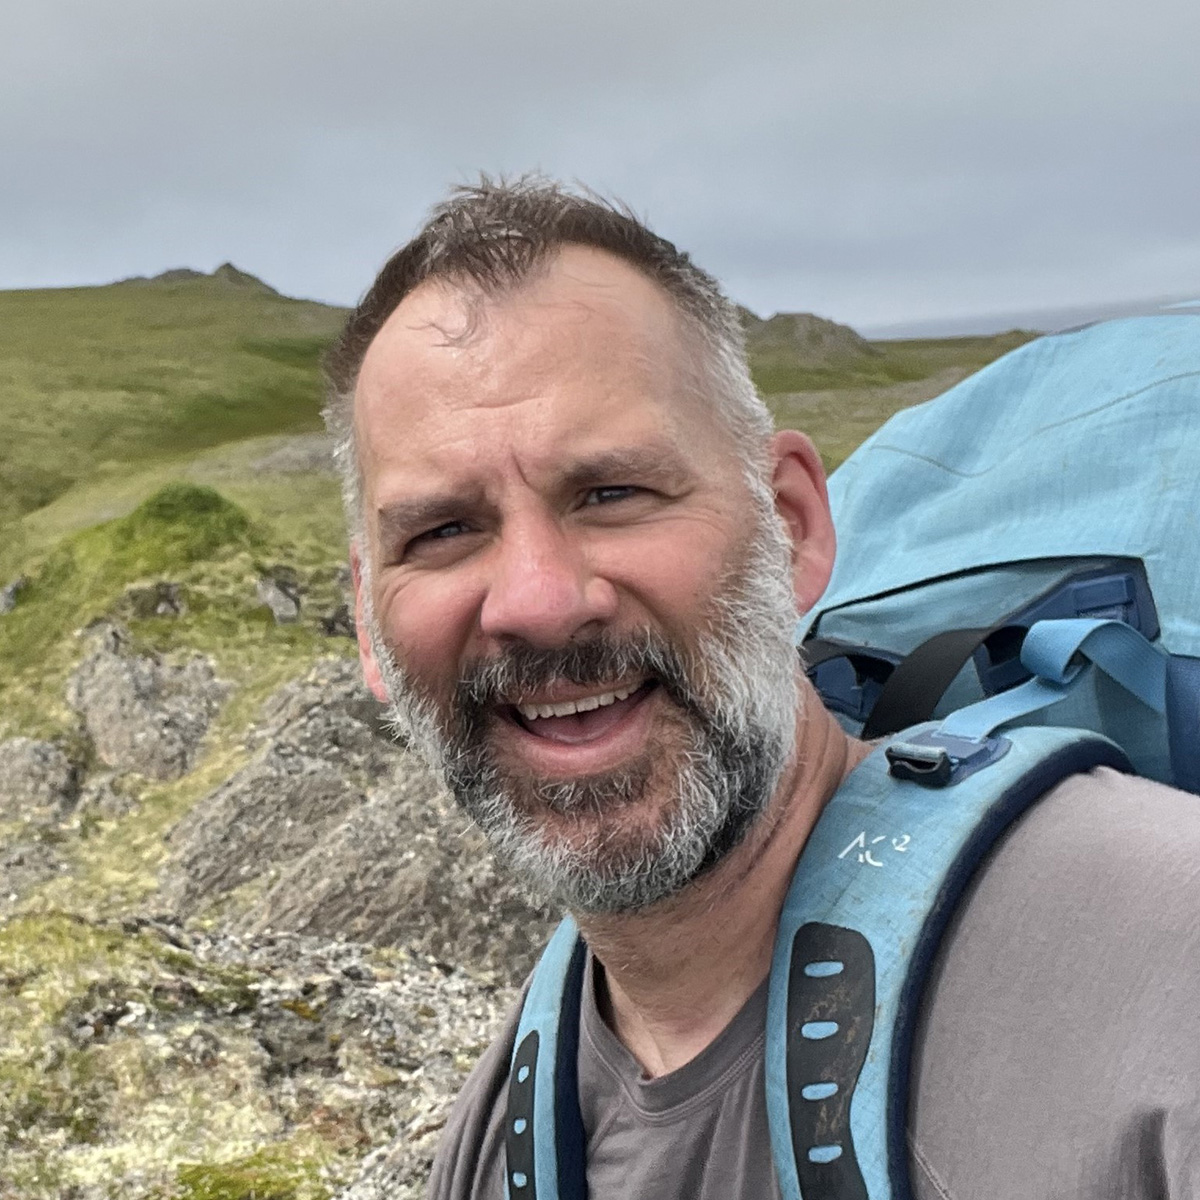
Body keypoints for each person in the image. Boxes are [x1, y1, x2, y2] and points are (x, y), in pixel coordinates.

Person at [323, 177, 1200, 1199]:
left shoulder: (1163, 968)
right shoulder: (507, 1129)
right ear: (370, 627)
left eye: (612, 493)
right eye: (441, 532)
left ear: (790, 526)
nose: (537, 600)